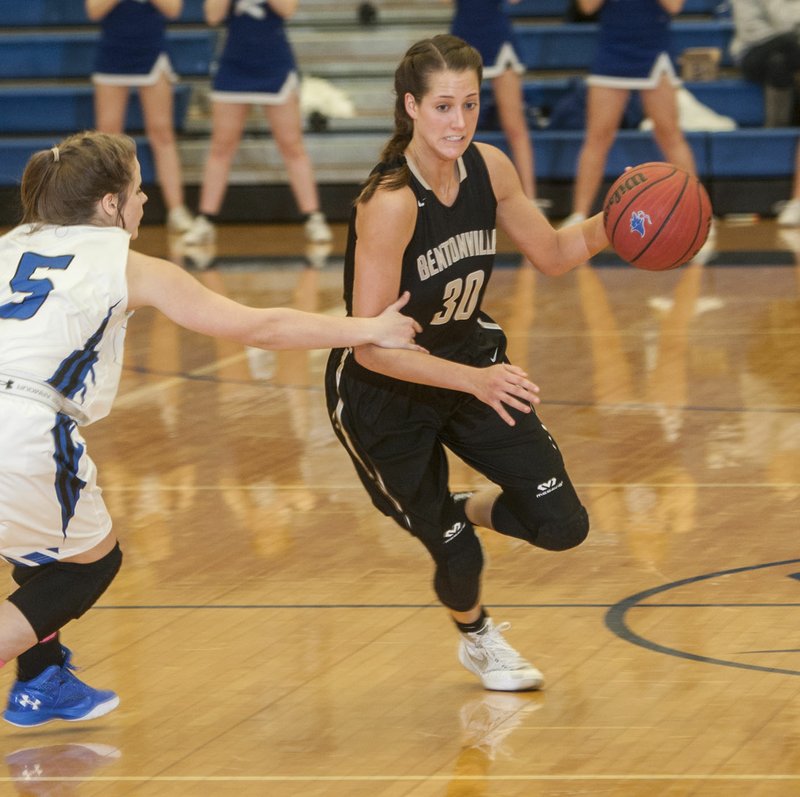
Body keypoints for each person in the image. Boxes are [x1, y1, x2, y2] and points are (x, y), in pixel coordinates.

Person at [0, 130, 422, 727]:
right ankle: (38, 677)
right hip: (23, 426)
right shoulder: (127, 263)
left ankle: (40, 680)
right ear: (108, 206)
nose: (145, 202)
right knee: (86, 565)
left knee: (40, 551)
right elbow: (261, 328)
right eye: (138, 190)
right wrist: (367, 329)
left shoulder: (11, 243)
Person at [323, 35, 611, 692]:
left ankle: (452, 503)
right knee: (457, 548)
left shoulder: (490, 166)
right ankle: (478, 636)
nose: (458, 122)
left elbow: (555, 253)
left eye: (470, 105)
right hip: (385, 390)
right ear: (412, 108)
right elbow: (371, 343)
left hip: (467, 357)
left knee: (561, 525)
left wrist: (618, 219)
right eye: (443, 106)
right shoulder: (391, 200)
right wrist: (475, 381)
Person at [182, 0, 332, 246]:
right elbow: (212, 15)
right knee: (221, 146)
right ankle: (205, 219)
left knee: (292, 145)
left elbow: (287, 9)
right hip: (234, 65)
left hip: (274, 64)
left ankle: (313, 217)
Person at [561, 0, 698, 227]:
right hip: (612, 49)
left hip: (654, 49)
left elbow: (674, 6)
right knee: (598, 136)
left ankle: (696, 211)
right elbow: (587, 6)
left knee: (669, 134)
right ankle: (579, 215)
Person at [86, 0, 194, 234]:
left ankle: (177, 210)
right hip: (113, 51)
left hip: (152, 49)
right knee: (106, 138)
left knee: (162, 132)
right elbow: (93, 10)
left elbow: (173, 9)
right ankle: (105, 211)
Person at [449, 0, 544, 208]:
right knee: (456, 124)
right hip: (462, 38)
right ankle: (452, 198)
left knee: (515, 125)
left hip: (497, 38)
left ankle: (531, 200)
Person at [728, 0, 800, 225]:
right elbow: (784, 21)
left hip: (785, 49)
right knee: (784, 53)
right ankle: (775, 128)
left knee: (782, 60)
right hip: (753, 48)